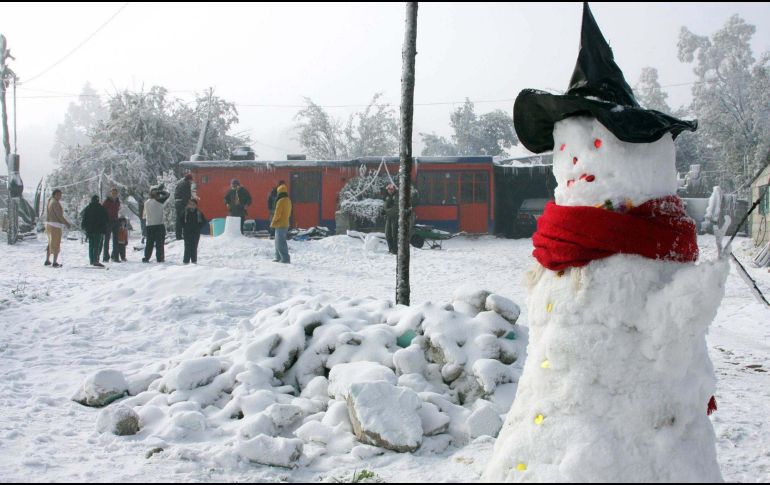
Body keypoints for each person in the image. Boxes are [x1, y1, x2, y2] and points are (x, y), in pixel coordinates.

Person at [142, 185, 171, 263]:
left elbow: (168, 194)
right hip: (153, 225)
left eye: (156, 191)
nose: (155, 192)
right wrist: (160, 191)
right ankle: (150, 257)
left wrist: (159, 191)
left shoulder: (156, 200)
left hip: (156, 225)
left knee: (157, 243)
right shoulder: (157, 200)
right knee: (152, 243)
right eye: (153, 191)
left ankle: (156, 258)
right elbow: (167, 194)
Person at [45, 189, 71, 268]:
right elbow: (59, 215)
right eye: (59, 195)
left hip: (49, 224)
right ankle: (55, 262)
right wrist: (66, 223)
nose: (60, 196)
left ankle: (47, 260)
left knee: (50, 243)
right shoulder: (55, 203)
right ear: (55, 194)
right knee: (56, 243)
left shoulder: (50, 201)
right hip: (55, 225)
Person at [82, 195, 109, 267]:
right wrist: (104, 229)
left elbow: (84, 219)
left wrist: (84, 227)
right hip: (98, 230)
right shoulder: (101, 208)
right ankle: (96, 260)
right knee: (97, 246)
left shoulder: (88, 208)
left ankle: (91, 260)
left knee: (91, 245)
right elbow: (106, 219)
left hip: (90, 230)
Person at [270, 183, 292, 263]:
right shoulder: (288, 200)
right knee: (278, 241)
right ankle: (278, 257)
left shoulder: (280, 201)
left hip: (280, 224)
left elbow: (277, 214)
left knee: (280, 243)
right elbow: (289, 213)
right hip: (285, 223)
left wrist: (272, 222)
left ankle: (285, 258)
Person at [182, 198, 207, 264]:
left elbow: (204, 221)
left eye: (193, 204)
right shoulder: (185, 212)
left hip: (195, 232)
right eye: (190, 204)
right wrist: (184, 227)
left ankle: (194, 261)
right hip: (187, 232)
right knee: (187, 247)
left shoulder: (199, 213)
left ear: (196, 205)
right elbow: (180, 221)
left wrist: (199, 227)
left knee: (194, 247)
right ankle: (186, 261)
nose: (192, 205)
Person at [102, 187, 121, 262]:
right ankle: (106, 257)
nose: (114, 194)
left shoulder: (118, 201)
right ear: (110, 193)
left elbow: (118, 209)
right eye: (113, 193)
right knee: (106, 240)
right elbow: (102, 210)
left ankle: (115, 256)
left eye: (115, 193)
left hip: (116, 221)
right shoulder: (107, 201)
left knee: (116, 240)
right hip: (108, 222)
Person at [174, 173, 194, 240]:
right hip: (181, 203)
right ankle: (179, 236)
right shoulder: (186, 184)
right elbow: (187, 195)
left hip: (177, 202)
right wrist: (189, 204)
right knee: (180, 219)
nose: (192, 182)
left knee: (179, 219)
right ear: (189, 179)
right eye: (191, 180)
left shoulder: (181, 183)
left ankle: (178, 235)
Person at [383, 183, 399, 255]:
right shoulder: (387, 196)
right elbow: (385, 205)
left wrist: (386, 212)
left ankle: (394, 250)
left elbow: (396, 208)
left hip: (395, 217)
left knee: (394, 234)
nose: (390, 190)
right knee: (387, 234)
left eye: (391, 189)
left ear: (394, 189)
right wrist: (383, 210)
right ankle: (390, 249)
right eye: (388, 189)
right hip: (388, 217)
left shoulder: (397, 196)